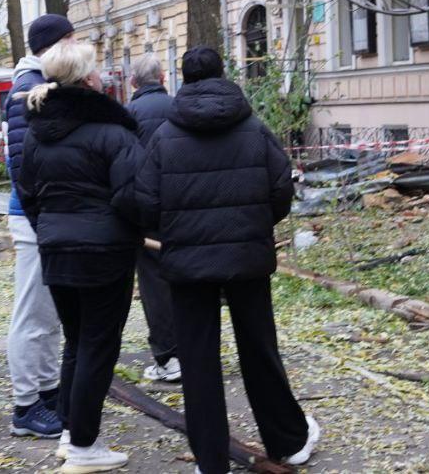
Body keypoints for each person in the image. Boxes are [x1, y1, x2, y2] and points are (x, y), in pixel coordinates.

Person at [120, 47, 318, 474]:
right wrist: (255, 223)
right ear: (223, 74)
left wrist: (175, 232)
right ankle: (288, 441)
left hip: (187, 265)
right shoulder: (253, 128)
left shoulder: (165, 137)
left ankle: (210, 461)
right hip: (247, 258)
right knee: (260, 350)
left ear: (183, 79)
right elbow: (282, 188)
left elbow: (146, 202)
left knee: (198, 360)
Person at [19, 41, 142, 474]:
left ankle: (71, 434)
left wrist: (51, 231)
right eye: (99, 70)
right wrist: (131, 231)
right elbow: (135, 196)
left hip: (55, 248)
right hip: (104, 251)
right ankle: (85, 447)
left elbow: (27, 194)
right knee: (97, 347)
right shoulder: (114, 132)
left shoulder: (37, 132)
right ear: (89, 78)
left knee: (76, 342)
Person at [3, 13, 75, 442]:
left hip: (44, 217)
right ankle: (26, 405)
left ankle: (48, 394)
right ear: (52, 46)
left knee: (47, 314)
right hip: (34, 218)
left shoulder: (41, 83)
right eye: (70, 41)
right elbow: (21, 166)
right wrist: (40, 219)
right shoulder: (27, 90)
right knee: (31, 313)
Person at [125, 53, 180, 383]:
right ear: (162, 79)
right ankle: (194, 349)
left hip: (147, 214)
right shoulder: (179, 109)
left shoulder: (127, 116)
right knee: (186, 277)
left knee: (154, 285)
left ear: (133, 83)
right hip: (184, 207)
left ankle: (167, 356)